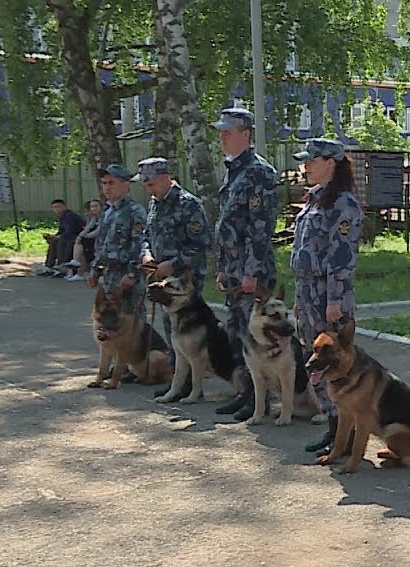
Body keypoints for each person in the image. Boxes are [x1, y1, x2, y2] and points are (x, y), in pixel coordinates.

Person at [289, 138, 362, 455]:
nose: (306, 166)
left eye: (311, 161)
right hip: (308, 294)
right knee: (315, 363)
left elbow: (342, 257)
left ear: (330, 162)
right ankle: (333, 427)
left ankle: (345, 432)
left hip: (328, 296)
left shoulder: (342, 204)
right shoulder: (315, 200)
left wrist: (334, 300)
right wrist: (298, 297)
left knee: (336, 366)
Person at [210, 108, 280, 422]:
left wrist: (252, 271)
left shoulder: (258, 172)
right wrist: (224, 267)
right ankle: (246, 393)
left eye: (228, 131)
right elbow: (228, 225)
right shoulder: (233, 170)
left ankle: (259, 400)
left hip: (253, 271)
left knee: (256, 338)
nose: (222, 137)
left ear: (246, 135)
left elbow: (260, 227)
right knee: (237, 334)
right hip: (235, 269)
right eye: (221, 131)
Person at [135, 157, 211, 398]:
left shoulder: (188, 204)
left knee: (188, 334)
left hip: (185, 281)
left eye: (152, 183)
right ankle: (178, 381)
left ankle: (191, 384)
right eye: (145, 185)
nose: (149, 188)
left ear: (166, 177)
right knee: (172, 332)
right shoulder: (155, 204)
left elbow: (201, 244)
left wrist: (173, 264)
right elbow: (147, 235)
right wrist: (146, 254)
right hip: (162, 279)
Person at [88, 164, 150, 382]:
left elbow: (140, 244)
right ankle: (113, 366)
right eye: (104, 183)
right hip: (110, 275)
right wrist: (95, 269)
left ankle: (138, 366)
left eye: (111, 183)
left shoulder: (136, 212)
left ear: (126, 185)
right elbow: (101, 245)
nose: (106, 187)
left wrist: (132, 274)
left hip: (128, 275)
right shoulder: (108, 211)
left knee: (133, 324)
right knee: (107, 320)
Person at [39, 199, 85, 277]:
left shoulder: (70, 216)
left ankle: (62, 266)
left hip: (78, 238)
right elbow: (61, 231)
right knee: (53, 242)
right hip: (69, 237)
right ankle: (49, 266)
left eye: (58, 206)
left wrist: (57, 237)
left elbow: (70, 232)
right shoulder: (62, 217)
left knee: (62, 241)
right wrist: (53, 236)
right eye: (54, 207)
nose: (57, 209)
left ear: (64, 207)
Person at [66, 199, 103, 282]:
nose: (93, 208)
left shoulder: (104, 216)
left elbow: (98, 232)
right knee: (79, 246)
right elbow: (87, 228)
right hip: (92, 240)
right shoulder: (93, 218)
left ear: (101, 207)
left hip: (101, 241)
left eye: (96, 206)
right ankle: (79, 271)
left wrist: (84, 237)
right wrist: (80, 236)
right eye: (92, 206)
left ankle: (76, 263)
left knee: (80, 243)